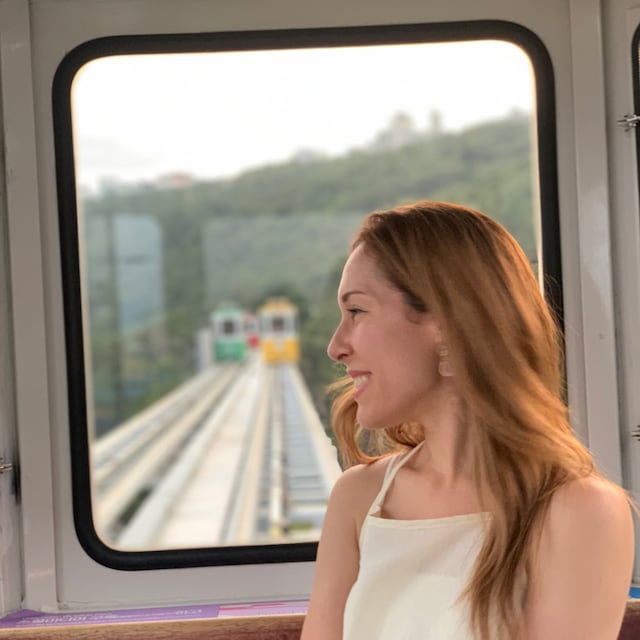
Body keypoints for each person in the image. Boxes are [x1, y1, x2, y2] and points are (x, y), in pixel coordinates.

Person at [300, 201, 635, 640]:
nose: (336, 346)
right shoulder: (357, 498)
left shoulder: (580, 512)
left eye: (357, 312)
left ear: (449, 323)